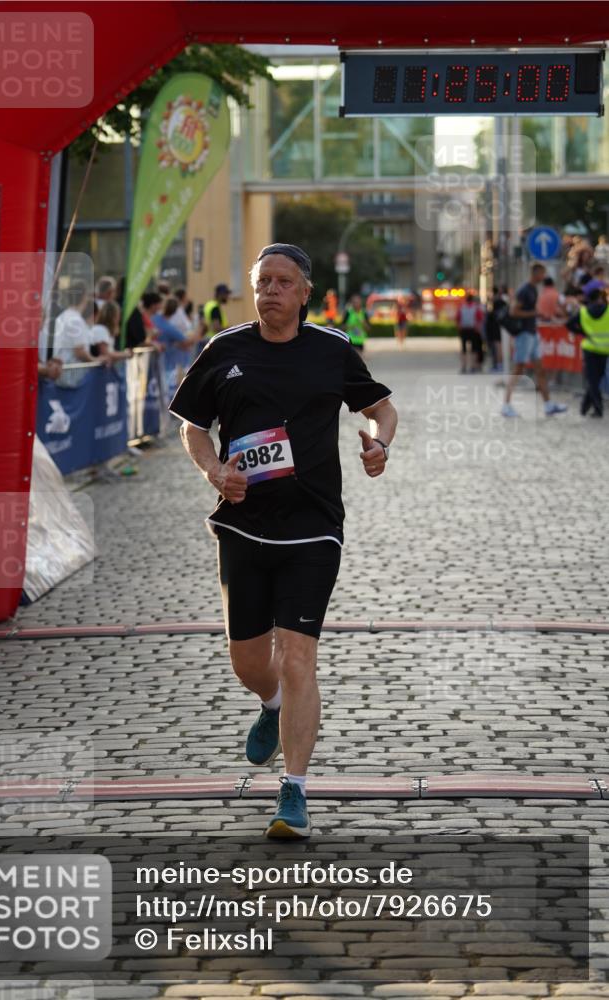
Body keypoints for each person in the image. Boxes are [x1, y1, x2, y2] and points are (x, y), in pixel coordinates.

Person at [168, 243, 397, 840]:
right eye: (263, 281)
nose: (270, 290)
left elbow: (381, 409)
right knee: (248, 658)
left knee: (298, 656)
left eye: (283, 281)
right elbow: (193, 426)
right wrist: (214, 470)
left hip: (313, 524)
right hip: (243, 523)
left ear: (304, 293)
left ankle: (293, 789)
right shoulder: (225, 350)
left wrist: (379, 443)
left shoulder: (331, 349)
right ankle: (269, 703)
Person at [501, 263, 567, 418]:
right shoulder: (524, 290)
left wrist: (536, 314)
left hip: (532, 333)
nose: (544, 277)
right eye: (542, 273)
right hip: (524, 334)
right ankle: (506, 405)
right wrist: (533, 313)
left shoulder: (533, 289)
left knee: (540, 369)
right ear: (536, 273)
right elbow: (513, 311)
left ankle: (548, 405)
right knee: (518, 370)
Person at [567, 288, 609, 417]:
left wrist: (583, 332)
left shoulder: (583, 312)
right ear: (599, 298)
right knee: (596, 379)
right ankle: (596, 408)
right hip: (604, 349)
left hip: (589, 348)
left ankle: (587, 406)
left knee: (592, 380)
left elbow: (569, 324)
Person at [52, 281, 94, 364]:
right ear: (84, 297)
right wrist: (96, 360)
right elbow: (80, 352)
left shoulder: (63, 316)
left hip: (63, 366)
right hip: (72, 369)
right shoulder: (75, 320)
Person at [457, 293, 484, 373]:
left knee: (463, 349)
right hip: (473, 330)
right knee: (474, 349)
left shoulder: (462, 307)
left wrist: (459, 328)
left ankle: (464, 366)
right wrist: (478, 328)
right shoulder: (476, 308)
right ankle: (473, 366)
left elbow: (457, 319)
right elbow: (480, 319)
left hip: (464, 330)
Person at [485, 286, 508, 373]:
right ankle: (499, 365)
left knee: (498, 346)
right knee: (497, 346)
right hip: (498, 327)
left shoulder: (496, 302)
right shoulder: (500, 301)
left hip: (496, 327)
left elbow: (490, 314)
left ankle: (499, 365)